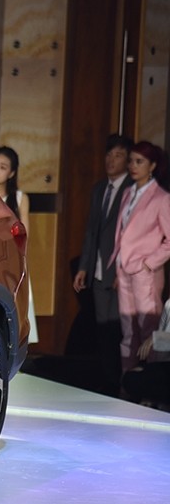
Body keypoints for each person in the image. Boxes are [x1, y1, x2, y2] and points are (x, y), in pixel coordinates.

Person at [72, 134, 133, 395]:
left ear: (128, 160)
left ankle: (123, 383)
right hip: (98, 269)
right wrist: (84, 266)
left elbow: (129, 235)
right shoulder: (99, 189)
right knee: (102, 329)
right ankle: (109, 382)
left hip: (120, 270)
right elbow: (91, 231)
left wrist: (122, 269)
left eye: (118, 155)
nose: (111, 160)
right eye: (109, 154)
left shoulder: (132, 189)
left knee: (118, 329)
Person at [112, 140, 170, 374]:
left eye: (139, 161)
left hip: (145, 272)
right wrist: (118, 264)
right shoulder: (128, 192)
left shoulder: (161, 198)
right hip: (124, 268)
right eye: (131, 161)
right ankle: (126, 383)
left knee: (150, 331)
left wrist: (149, 263)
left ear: (152, 165)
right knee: (128, 331)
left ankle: (154, 381)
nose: (133, 166)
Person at [0, 145, 37, 343]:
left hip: (10, 261)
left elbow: (24, 235)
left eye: (3, 167)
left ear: (11, 173)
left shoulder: (19, 198)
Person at [121, 295, 170, 409]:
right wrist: (150, 370)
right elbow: (161, 351)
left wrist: (157, 338)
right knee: (131, 378)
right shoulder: (168, 304)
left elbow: (160, 339)